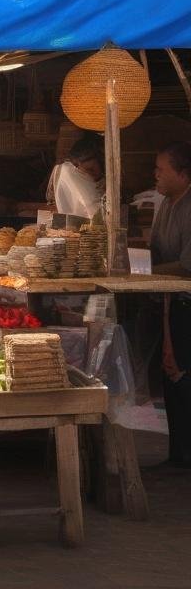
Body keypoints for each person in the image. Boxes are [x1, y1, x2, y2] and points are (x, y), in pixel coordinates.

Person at [151, 141, 191, 466]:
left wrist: (144, 271)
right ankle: (178, 454)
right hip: (168, 299)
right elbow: (156, 252)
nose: (156, 175)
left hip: (186, 301)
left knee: (184, 375)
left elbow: (186, 263)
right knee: (170, 378)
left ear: (183, 174)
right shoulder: (165, 203)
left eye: (161, 170)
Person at [48, 133, 105, 219]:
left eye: (92, 169)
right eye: (85, 171)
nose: (89, 175)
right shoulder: (67, 172)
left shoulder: (106, 180)